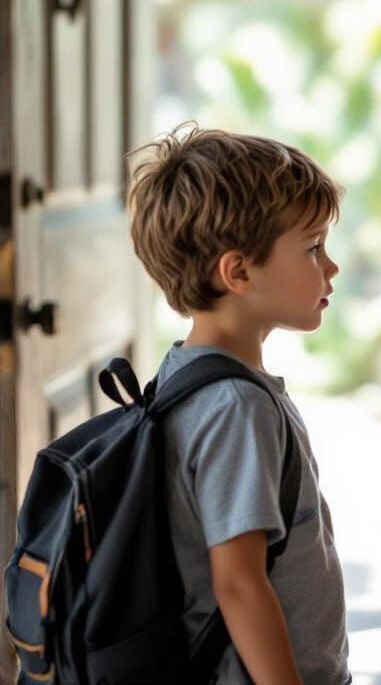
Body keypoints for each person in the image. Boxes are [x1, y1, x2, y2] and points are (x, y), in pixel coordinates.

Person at [127, 125, 351, 685]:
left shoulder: (185, 372)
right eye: (313, 247)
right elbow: (238, 582)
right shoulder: (236, 407)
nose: (331, 267)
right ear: (238, 271)